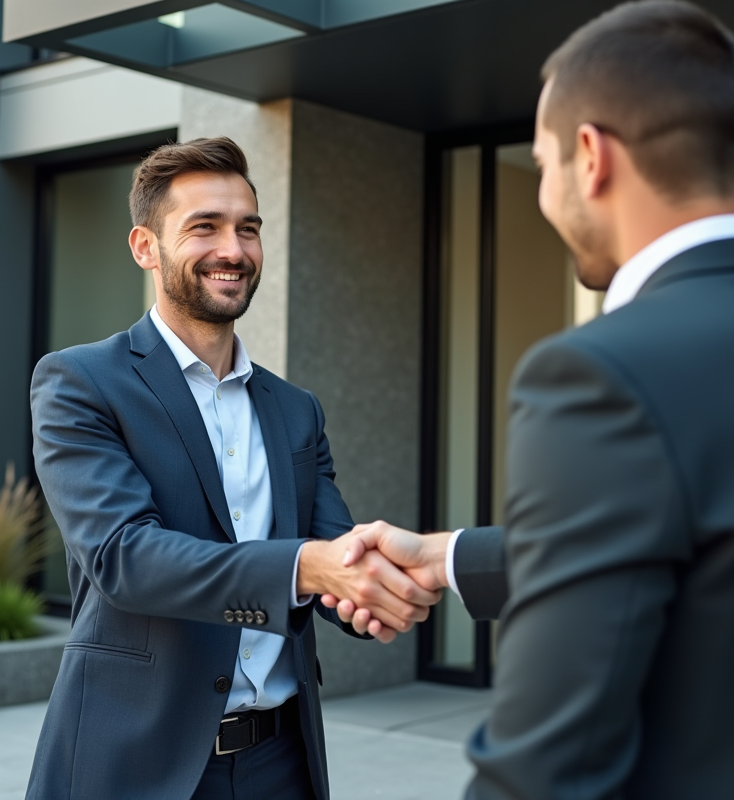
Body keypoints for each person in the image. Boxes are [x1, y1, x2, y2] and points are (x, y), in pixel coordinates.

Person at [326, 2, 734, 798]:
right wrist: (448, 556)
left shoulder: (598, 374)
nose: (545, 194)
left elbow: (544, 766)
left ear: (591, 157)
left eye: (544, 164)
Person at [25, 137, 439, 800]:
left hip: (282, 761)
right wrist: (307, 568)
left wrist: (382, 586)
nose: (234, 250)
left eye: (248, 228)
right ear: (145, 247)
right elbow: (124, 557)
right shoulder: (81, 383)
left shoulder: (296, 409)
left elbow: (335, 551)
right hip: (137, 762)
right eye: (205, 227)